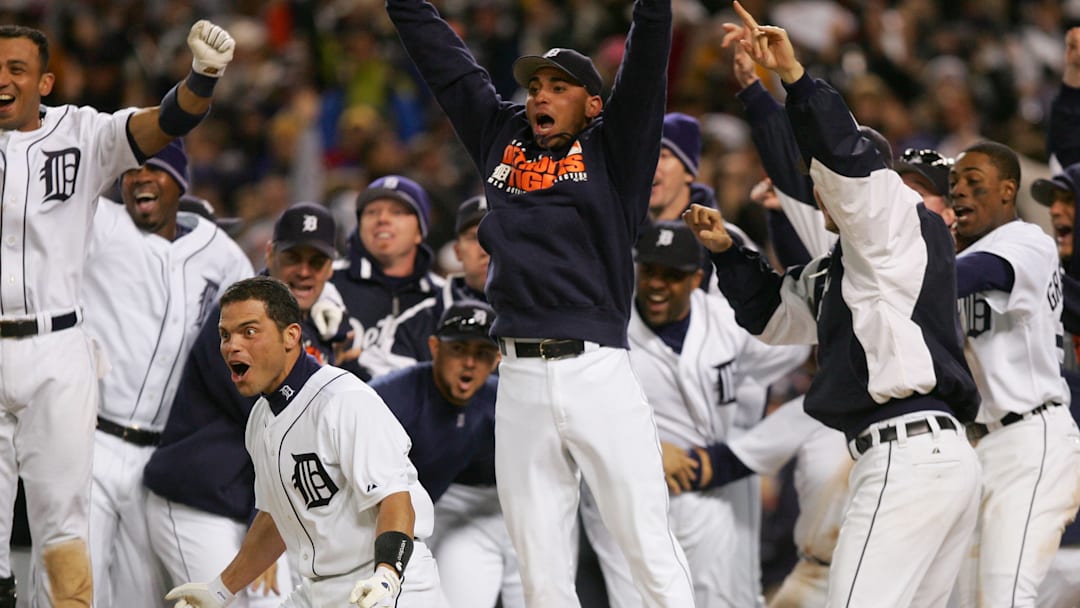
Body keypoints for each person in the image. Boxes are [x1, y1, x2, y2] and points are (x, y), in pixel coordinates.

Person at [386, 0, 697, 604]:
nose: (540, 97)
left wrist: (654, 10)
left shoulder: (618, 148)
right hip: (519, 378)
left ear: (593, 104)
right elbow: (447, 66)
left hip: (596, 371)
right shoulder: (500, 135)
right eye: (534, 87)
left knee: (646, 546)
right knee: (539, 568)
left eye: (559, 87)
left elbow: (645, 65)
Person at [684, 5, 980, 606]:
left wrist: (793, 77)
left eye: (823, 176)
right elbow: (776, 316)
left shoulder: (894, 218)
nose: (818, 187)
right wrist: (727, 252)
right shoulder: (854, 261)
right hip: (933, 456)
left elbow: (845, 155)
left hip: (905, 454)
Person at [0, 19, 234, 605]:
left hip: (57, 347)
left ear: (44, 81)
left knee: (63, 526)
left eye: (16, 69)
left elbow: (166, 122)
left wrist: (202, 78)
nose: (2, 80)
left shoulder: (82, 132)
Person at [165, 276, 445, 608]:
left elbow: (395, 500)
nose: (232, 346)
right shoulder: (260, 418)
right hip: (319, 589)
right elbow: (276, 518)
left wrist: (387, 575)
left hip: (383, 582)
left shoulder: (344, 399)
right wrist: (221, 589)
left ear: (291, 335)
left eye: (249, 331)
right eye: (225, 335)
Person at [578, 221, 808, 607]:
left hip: (705, 492)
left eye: (671, 275)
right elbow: (578, 413)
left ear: (696, 279)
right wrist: (646, 452)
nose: (657, 284)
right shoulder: (604, 326)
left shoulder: (725, 319)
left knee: (719, 600)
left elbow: (796, 341)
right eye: (650, 271)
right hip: (627, 492)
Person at [144, 203, 356, 607]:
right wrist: (264, 534)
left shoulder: (311, 324)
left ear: (332, 267)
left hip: (256, 506)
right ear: (270, 253)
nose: (304, 271)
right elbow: (282, 427)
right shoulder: (240, 319)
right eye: (293, 257)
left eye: (317, 261)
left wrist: (341, 349)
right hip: (199, 504)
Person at [82, 139, 253, 607]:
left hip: (161, 458)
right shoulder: (100, 223)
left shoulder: (222, 254)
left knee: (142, 596)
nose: (140, 177)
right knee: (72, 586)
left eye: (155, 169)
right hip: (90, 438)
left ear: (179, 182)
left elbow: (255, 328)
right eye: (131, 170)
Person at [946, 140, 1080, 606]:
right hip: (981, 446)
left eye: (974, 182)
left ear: (1007, 190)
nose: (959, 191)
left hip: (1030, 438)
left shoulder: (1027, 241)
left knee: (1004, 596)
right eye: (954, 183)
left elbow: (968, 276)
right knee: (968, 599)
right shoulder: (958, 256)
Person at [370, 300, 524, 608]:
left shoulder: (502, 400)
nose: (469, 363)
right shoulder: (393, 397)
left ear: (497, 359)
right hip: (362, 519)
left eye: (482, 353)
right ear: (435, 347)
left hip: (422, 518)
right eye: (458, 349)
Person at [331, 175, 445, 379]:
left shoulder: (442, 298)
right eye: (372, 212)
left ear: (420, 231)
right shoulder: (327, 280)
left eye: (397, 212)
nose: (382, 219)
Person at [441, 196, 490, 305]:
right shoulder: (428, 313)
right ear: (457, 251)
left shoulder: (531, 307)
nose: (484, 251)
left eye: (496, 236)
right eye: (473, 238)